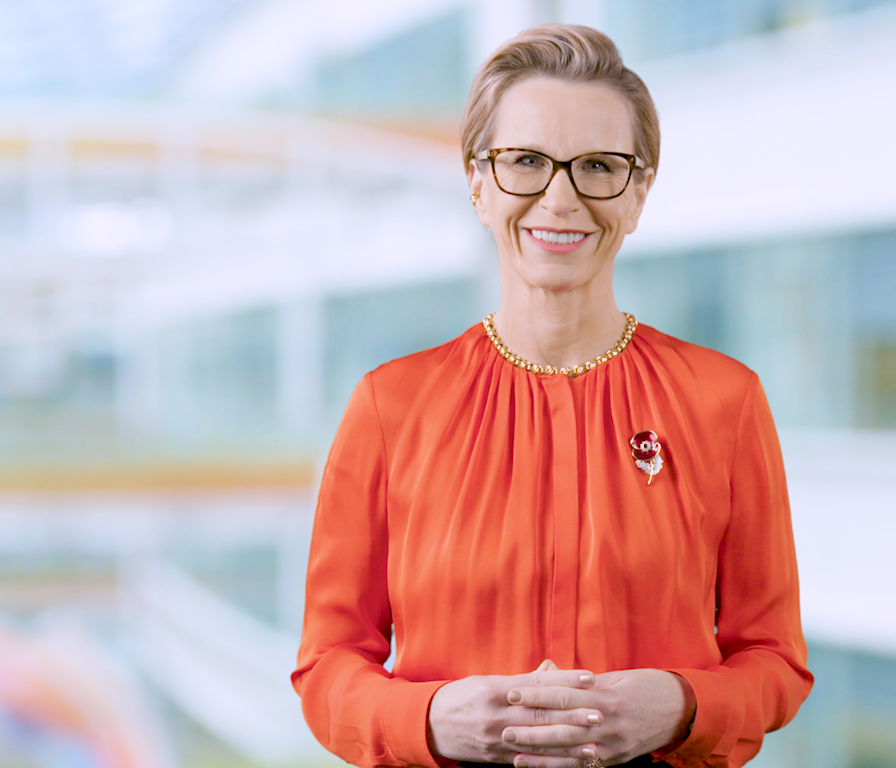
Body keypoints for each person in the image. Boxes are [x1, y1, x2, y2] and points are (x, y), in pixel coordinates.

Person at [291, 24, 812, 768]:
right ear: (477, 182)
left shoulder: (725, 402)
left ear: (637, 194)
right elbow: (326, 668)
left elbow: (776, 661)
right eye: (527, 162)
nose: (560, 197)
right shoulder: (388, 408)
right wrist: (435, 718)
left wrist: (681, 704)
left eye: (598, 166)